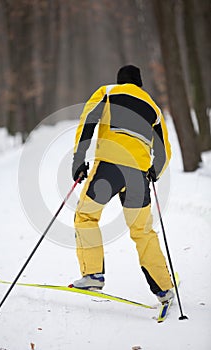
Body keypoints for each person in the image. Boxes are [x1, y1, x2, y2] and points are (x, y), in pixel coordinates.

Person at [71, 65, 174, 303]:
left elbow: (88, 121)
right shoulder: (153, 108)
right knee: (143, 231)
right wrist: (153, 173)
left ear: (120, 81)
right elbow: (164, 150)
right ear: (140, 84)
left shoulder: (108, 91)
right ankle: (164, 288)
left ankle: (93, 274)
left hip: (109, 167)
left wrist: (78, 160)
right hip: (138, 174)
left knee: (86, 217)